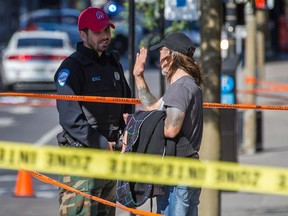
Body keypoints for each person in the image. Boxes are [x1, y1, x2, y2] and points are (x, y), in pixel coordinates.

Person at [54, 7, 132, 216]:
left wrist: (125, 133)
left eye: (107, 30)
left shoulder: (113, 64)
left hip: (110, 156)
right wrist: (100, 143)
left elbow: (126, 104)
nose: (105, 36)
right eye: (98, 32)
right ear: (83, 34)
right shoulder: (71, 68)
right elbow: (70, 118)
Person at [132, 32, 204, 216]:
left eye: (162, 51)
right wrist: (139, 76)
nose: (159, 58)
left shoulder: (180, 88)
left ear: (172, 56)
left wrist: (139, 124)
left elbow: (171, 129)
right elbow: (153, 108)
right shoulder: (184, 86)